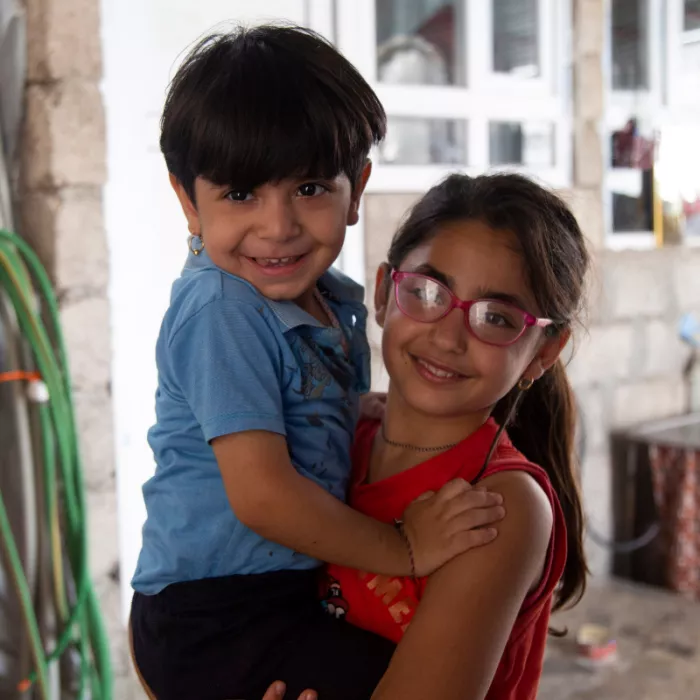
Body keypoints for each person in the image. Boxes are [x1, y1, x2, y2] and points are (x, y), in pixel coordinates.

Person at [129, 26, 504, 700]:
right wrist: (406, 549)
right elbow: (264, 496)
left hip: (274, 594)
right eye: (241, 194)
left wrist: (354, 409)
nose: (278, 227)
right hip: (212, 615)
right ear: (188, 201)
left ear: (355, 188)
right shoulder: (223, 307)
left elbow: (290, 413)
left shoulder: (333, 301)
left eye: (308, 188)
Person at [321, 173, 590, 699]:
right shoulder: (337, 440)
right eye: (425, 291)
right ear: (382, 293)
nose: (447, 335)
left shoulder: (497, 505)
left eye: (496, 317)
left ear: (543, 351)